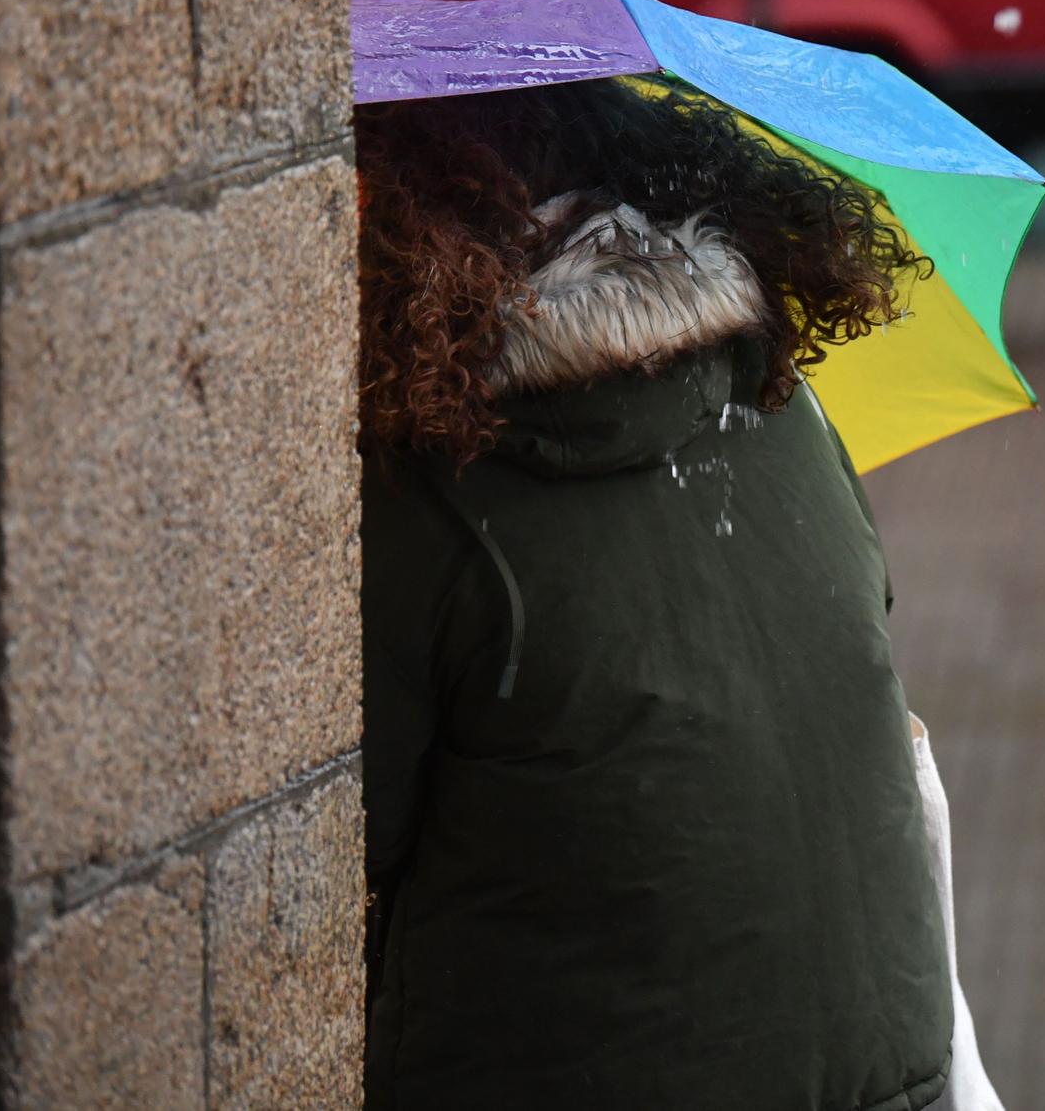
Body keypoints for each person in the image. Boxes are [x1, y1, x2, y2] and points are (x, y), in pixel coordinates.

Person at [355, 76, 964, 1109]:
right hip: (892, 1076)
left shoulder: (437, 493)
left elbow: (337, 842)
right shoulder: (784, 404)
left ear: (418, 232)